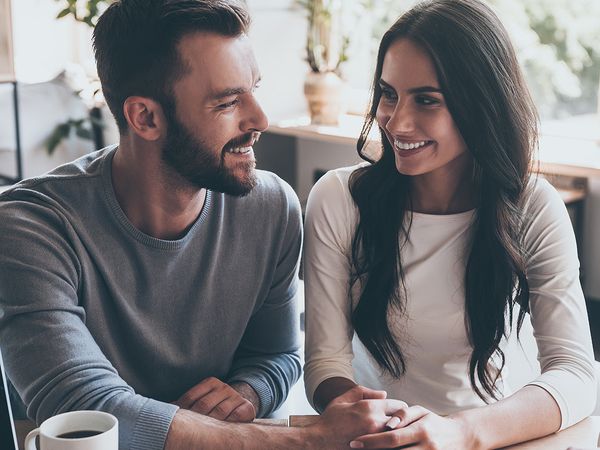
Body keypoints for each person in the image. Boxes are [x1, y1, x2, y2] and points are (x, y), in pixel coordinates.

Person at [0, 1, 409, 449]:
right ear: (146, 117)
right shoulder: (30, 227)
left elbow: (275, 354)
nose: (260, 120)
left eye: (254, 90)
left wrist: (246, 394)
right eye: (228, 101)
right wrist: (310, 440)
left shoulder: (270, 207)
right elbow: (85, 408)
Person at [303, 0, 597, 448]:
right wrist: (390, 429)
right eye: (388, 93)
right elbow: (325, 363)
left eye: (427, 100)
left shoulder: (534, 206)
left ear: (482, 105)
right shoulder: (339, 199)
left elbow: (576, 373)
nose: (397, 121)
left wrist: (462, 432)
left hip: (501, 435)